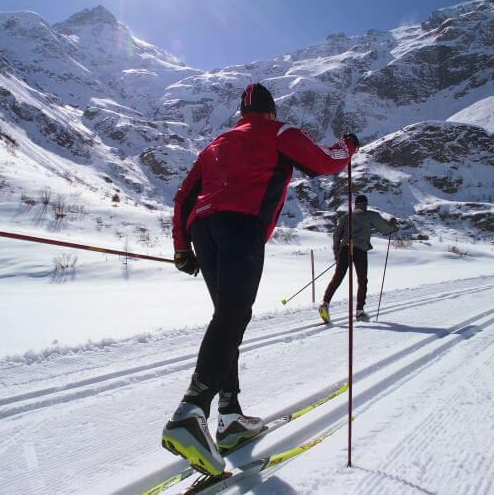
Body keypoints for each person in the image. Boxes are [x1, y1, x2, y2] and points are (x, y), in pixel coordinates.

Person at [162, 82, 359, 475]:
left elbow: (184, 196)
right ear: (270, 111)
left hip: (204, 229)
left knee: (228, 316)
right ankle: (191, 411)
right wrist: (348, 145)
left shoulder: (215, 145)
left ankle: (230, 416)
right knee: (234, 315)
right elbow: (323, 161)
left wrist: (183, 248)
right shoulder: (278, 132)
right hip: (241, 226)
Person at [318, 194, 398, 324]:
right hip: (360, 250)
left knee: (337, 278)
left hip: (344, 249)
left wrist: (336, 252)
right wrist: (392, 224)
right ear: (365, 204)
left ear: (355, 205)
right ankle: (360, 311)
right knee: (362, 280)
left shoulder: (346, 217)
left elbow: (337, 235)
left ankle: (325, 303)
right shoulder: (370, 215)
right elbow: (386, 229)